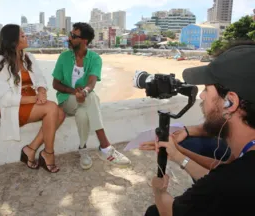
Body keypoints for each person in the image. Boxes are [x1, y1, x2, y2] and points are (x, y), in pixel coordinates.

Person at [144, 43, 255, 216]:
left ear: (230, 102)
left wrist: (159, 191)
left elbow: (170, 211)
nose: (202, 96)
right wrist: (178, 153)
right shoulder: (242, 164)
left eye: (207, 89)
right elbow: (223, 169)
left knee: (154, 212)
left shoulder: (229, 185)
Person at [52, 22, 131, 169]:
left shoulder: (95, 58)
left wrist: (84, 92)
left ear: (84, 41)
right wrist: (74, 92)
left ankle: (83, 150)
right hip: (66, 101)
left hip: (84, 100)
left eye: (74, 36)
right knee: (92, 98)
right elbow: (55, 84)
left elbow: (92, 82)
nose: (69, 38)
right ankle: (105, 147)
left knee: (83, 113)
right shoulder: (63, 57)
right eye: (70, 34)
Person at [0, 24, 65, 173]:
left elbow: (40, 78)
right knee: (51, 108)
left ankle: (31, 149)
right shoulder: (0, 63)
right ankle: (48, 154)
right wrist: (35, 99)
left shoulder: (28, 57)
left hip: (32, 101)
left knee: (60, 113)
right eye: (22, 35)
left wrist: (42, 91)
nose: (26, 37)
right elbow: (5, 99)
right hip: (13, 107)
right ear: (13, 41)